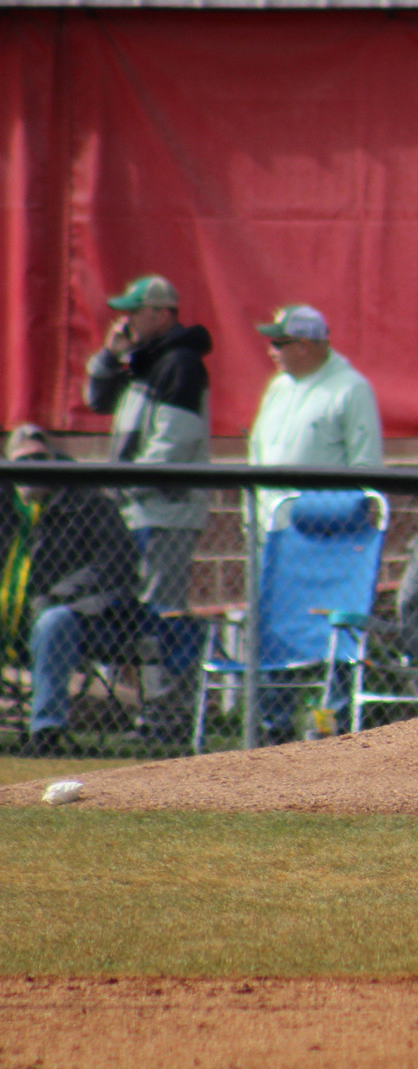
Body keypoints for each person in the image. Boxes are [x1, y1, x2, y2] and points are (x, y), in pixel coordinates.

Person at [83, 274, 212, 743]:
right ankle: (154, 715)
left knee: (163, 614)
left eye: (134, 312)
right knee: (145, 616)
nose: (126, 320)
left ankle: (168, 719)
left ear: (160, 312)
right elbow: (96, 399)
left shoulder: (179, 363)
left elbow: (171, 448)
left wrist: (121, 486)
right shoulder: (144, 363)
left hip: (165, 513)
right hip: (138, 511)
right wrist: (109, 356)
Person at [247, 304, 383, 738]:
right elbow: (257, 455)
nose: (271, 351)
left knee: (330, 633)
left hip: (330, 540)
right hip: (274, 534)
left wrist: (348, 527)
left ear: (304, 344)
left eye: (279, 342)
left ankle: (331, 727)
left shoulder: (350, 389)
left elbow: (366, 470)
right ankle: (274, 730)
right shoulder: (277, 388)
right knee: (275, 630)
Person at [2, 425, 143, 757]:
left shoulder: (90, 505)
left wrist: (58, 596)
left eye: (41, 458)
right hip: (10, 618)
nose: (33, 466)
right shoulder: (6, 507)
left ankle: (46, 731)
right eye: (23, 460)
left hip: (82, 619)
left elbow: (115, 564)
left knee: (53, 621)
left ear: (56, 460)